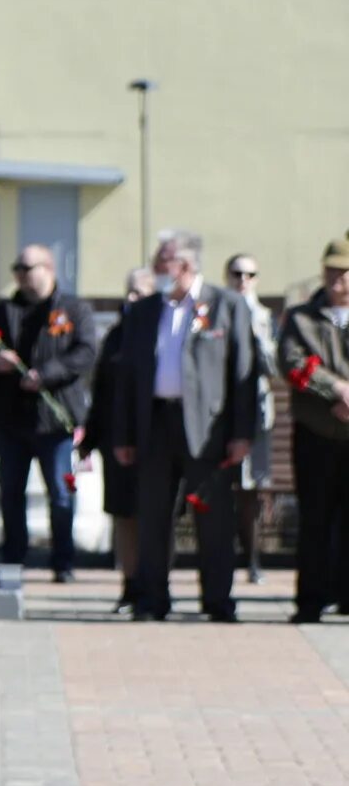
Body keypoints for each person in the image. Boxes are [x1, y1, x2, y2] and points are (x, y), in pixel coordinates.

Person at [107, 229, 262, 622]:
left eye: (163, 261)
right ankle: (152, 600)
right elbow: (126, 377)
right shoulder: (144, 312)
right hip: (155, 424)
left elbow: (243, 370)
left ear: (186, 266)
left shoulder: (225, 306)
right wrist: (123, 434)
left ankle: (217, 602)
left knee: (213, 519)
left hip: (208, 430)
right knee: (153, 517)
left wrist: (242, 434)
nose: (156, 268)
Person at [0, 246, 96, 578]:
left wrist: (46, 374)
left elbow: (86, 351)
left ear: (48, 268)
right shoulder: (4, 311)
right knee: (10, 491)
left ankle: (62, 561)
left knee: (61, 494)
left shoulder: (74, 308)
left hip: (55, 421)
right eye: (16, 268)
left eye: (26, 267)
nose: (19, 274)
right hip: (14, 420)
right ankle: (14, 559)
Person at [278, 237, 349, 623]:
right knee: (315, 519)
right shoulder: (302, 317)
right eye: (331, 270)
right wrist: (337, 390)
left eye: (343, 271)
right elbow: (291, 361)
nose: (336, 278)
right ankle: (310, 601)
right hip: (317, 432)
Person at [87, 265, 161, 606]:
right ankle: (129, 585)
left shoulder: (161, 333)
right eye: (129, 291)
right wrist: (91, 436)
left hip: (153, 439)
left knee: (153, 515)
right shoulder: (117, 333)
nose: (132, 298)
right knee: (123, 513)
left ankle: (153, 584)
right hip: (116, 440)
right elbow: (102, 388)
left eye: (141, 292)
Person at [227, 252, 276, 584]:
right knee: (222, 488)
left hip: (257, 414)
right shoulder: (216, 312)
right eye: (236, 274)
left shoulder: (265, 317)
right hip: (223, 414)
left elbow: (273, 368)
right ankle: (223, 559)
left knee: (253, 488)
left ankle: (253, 560)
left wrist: (258, 333)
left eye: (249, 274)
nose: (242, 280)